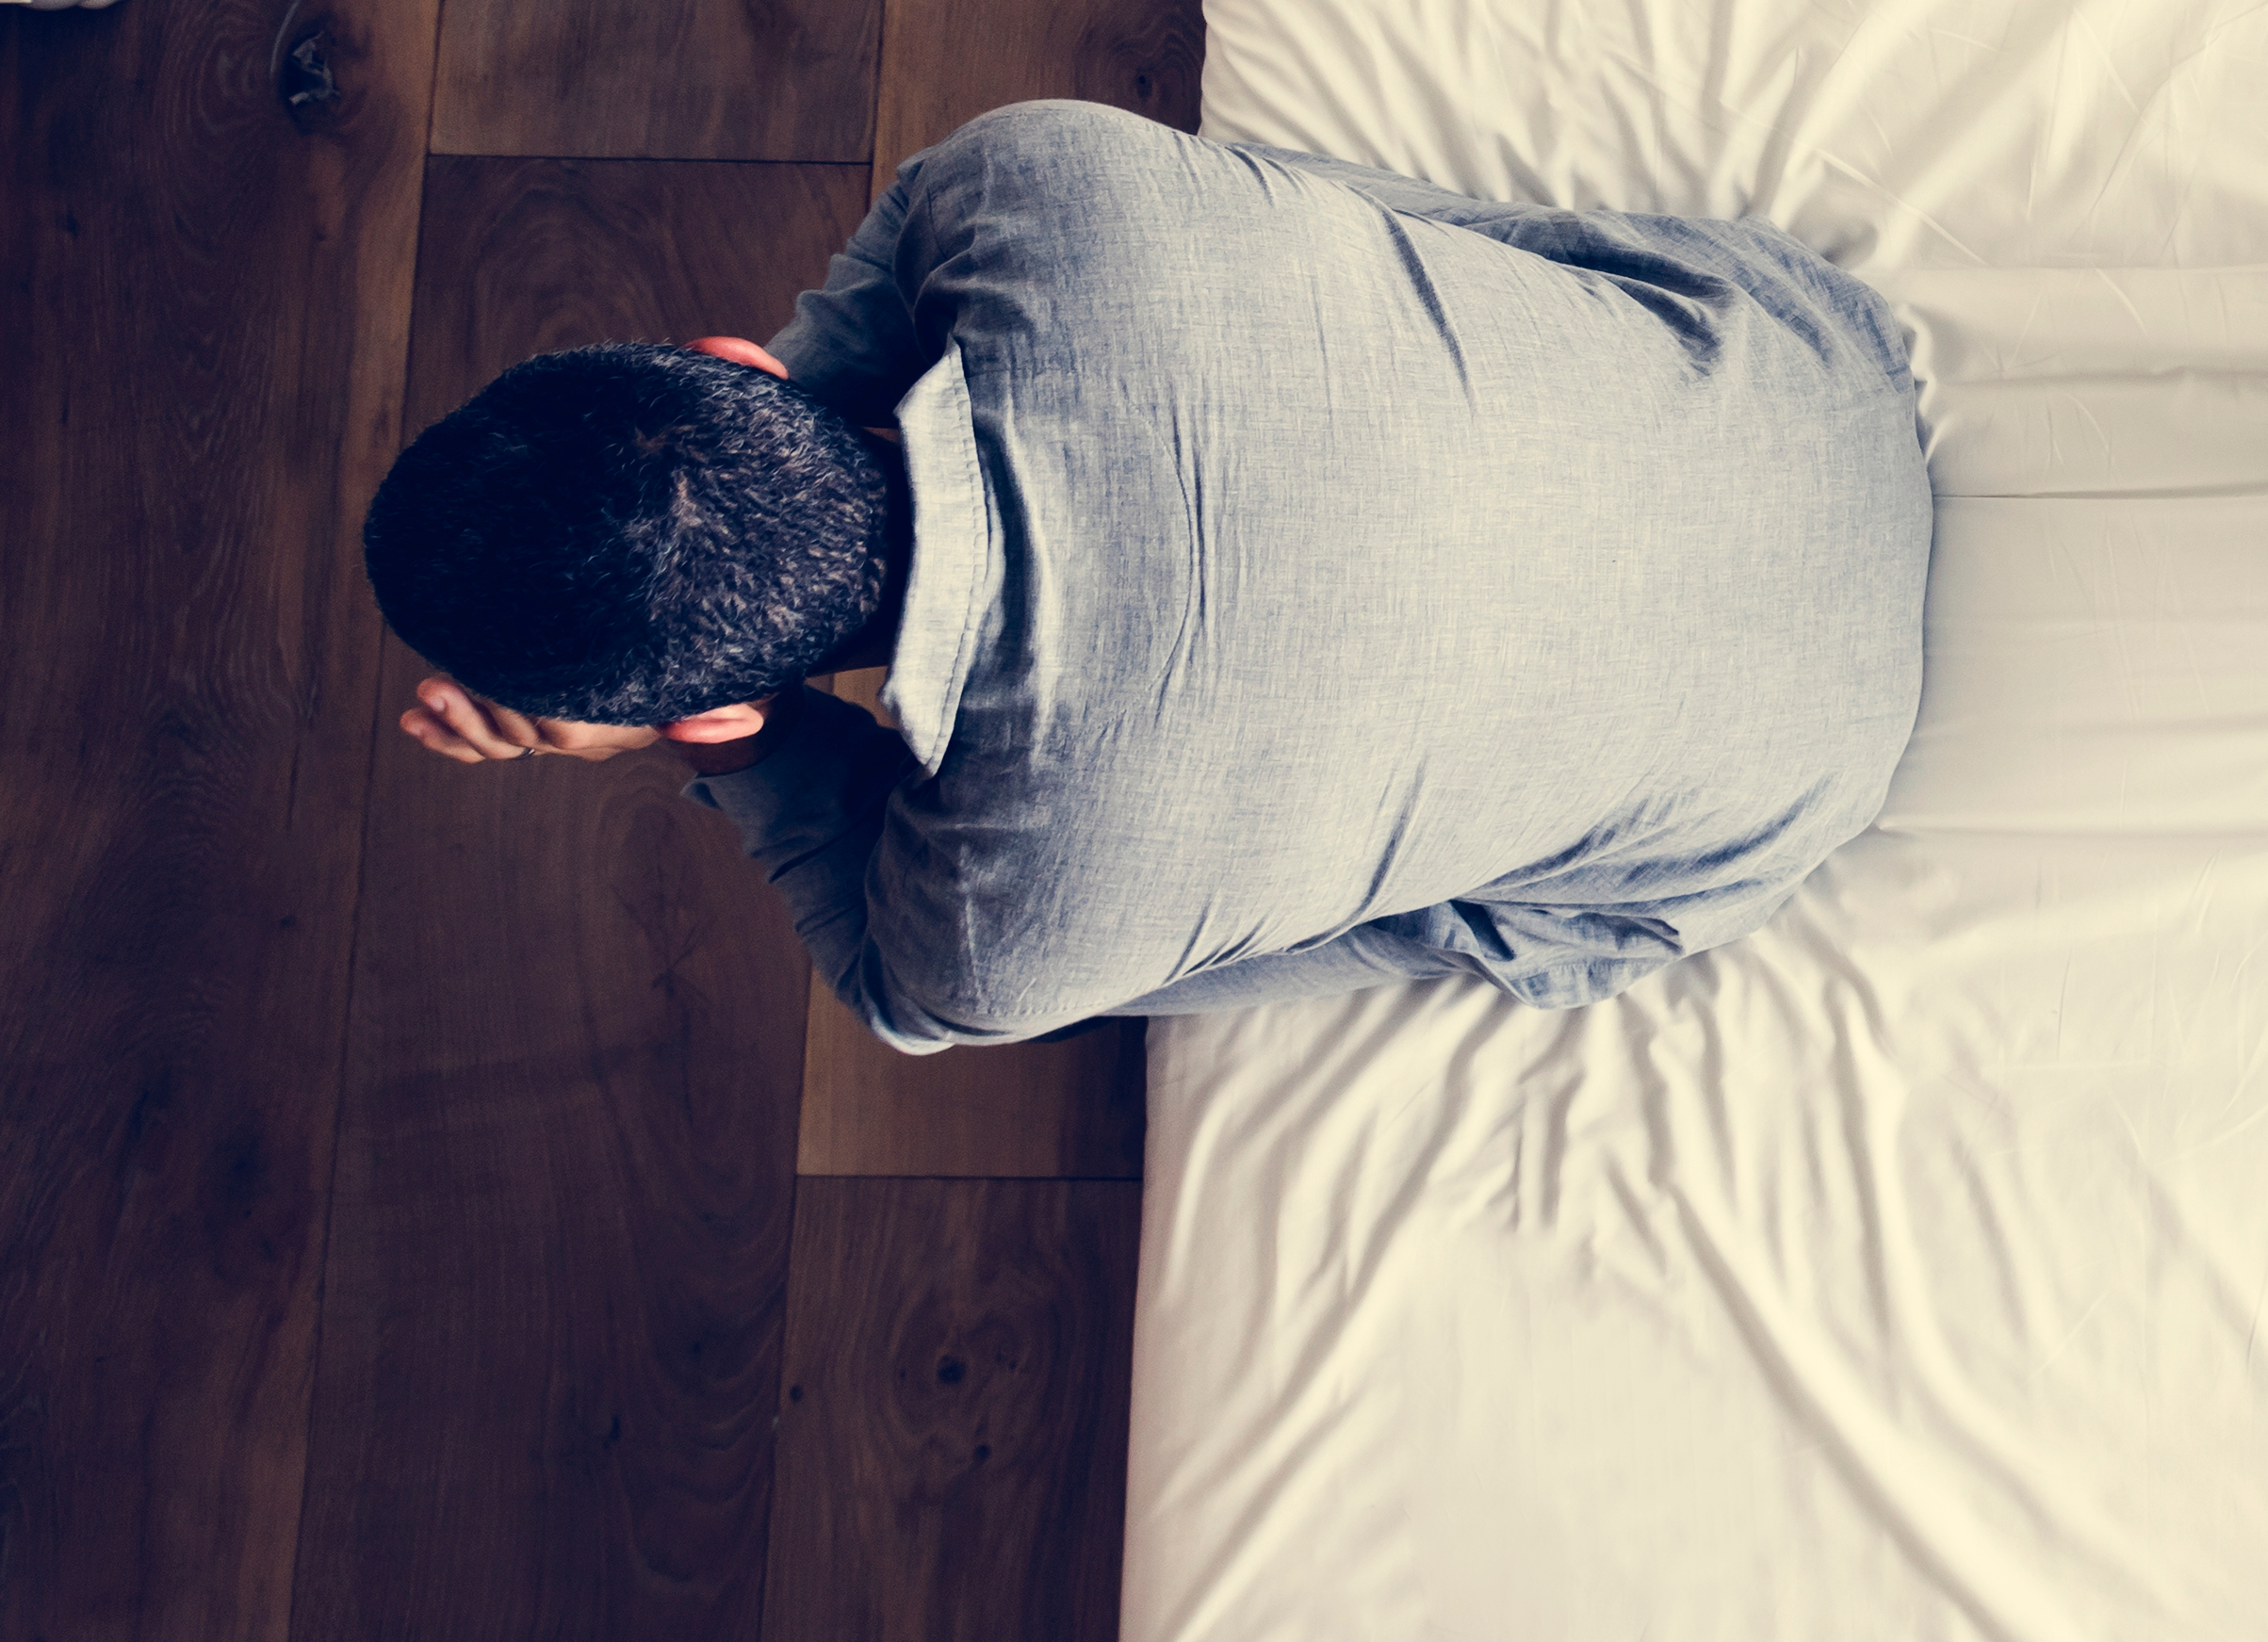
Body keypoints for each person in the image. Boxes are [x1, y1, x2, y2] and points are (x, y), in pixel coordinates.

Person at [361, 101, 1934, 1049]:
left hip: (1791, 788)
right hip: (1814, 363)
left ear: (694, 714)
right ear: (714, 355)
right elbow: (1485, 238)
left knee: (1464, 910)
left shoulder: (985, 949)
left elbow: (909, 985)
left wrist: (737, 736)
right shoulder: (1027, 183)